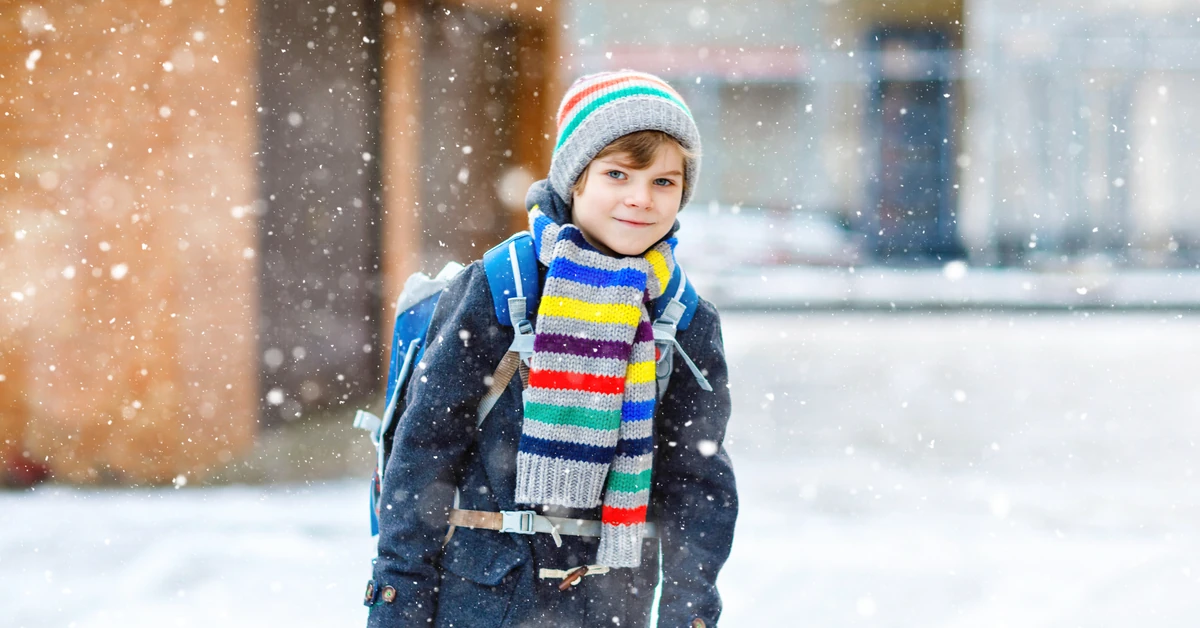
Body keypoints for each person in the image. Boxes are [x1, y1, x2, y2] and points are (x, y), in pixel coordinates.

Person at [365, 70, 737, 628]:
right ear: (575, 181)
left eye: (664, 182)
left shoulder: (682, 317)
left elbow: (697, 484)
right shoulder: (501, 284)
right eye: (618, 174)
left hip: (612, 604)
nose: (640, 198)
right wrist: (398, 599)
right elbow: (424, 448)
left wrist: (690, 613)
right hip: (479, 599)